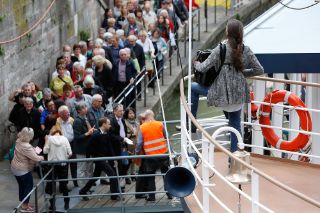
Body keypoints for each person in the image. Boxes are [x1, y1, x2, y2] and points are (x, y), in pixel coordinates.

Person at [193, 19, 264, 152]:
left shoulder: (221, 49)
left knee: (193, 87)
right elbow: (259, 70)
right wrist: (243, 73)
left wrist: (195, 63)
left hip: (221, 96)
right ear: (241, 33)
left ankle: (191, 121)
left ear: (227, 32)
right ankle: (234, 160)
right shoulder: (246, 50)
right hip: (238, 97)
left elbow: (203, 68)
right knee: (235, 128)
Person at [79, 118, 121, 201]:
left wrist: (114, 159)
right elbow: (88, 147)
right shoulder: (96, 134)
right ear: (104, 124)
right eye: (108, 124)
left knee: (95, 176)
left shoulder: (106, 133)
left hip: (104, 158)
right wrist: (90, 158)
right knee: (112, 175)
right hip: (99, 159)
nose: (110, 125)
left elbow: (109, 147)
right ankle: (114, 195)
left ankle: (83, 191)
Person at [135, 109, 172, 201]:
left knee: (151, 176)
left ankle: (152, 196)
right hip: (163, 154)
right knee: (165, 174)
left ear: (145, 117)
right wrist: (171, 150)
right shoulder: (160, 124)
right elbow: (167, 136)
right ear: (153, 115)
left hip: (150, 156)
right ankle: (170, 194)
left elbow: (139, 143)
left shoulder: (142, 127)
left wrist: (136, 153)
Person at [11, 127, 44, 212]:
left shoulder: (19, 141)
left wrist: (34, 149)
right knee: (28, 187)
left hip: (15, 168)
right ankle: (24, 207)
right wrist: (42, 157)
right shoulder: (27, 146)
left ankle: (23, 202)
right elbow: (36, 158)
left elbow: (29, 150)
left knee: (22, 186)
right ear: (30, 136)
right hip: (22, 170)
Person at [43, 128, 72, 210]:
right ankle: (66, 204)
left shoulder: (49, 139)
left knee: (52, 186)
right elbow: (70, 153)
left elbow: (45, 151)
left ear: (52, 133)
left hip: (52, 165)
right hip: (63, 165)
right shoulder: (65, 139)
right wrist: (64, 156)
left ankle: (53, 206)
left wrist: (45, 141)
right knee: (64, 186)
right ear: (60, 133)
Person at [54, 105, 78, 187]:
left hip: (72, 144)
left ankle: (75, 182)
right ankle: (64, 185)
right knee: (64, 165)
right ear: (60, 115)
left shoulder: (72, 120)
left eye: (68, 113)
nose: (68, 115)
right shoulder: (58, 122)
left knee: (74, 164)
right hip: (63, 146)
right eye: (65, 114)